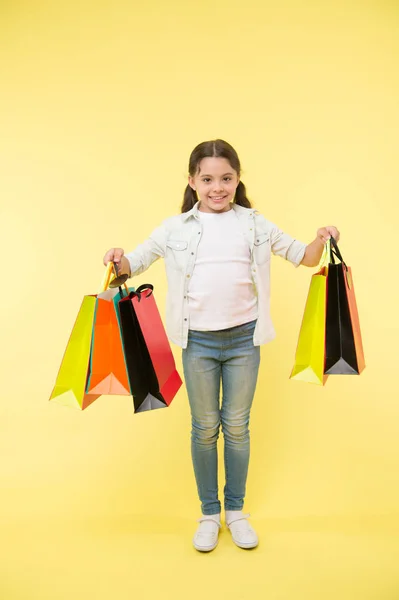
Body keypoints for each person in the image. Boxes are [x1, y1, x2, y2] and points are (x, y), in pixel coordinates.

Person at [103, 139, 340, 553]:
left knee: (237, 427)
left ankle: (236, 512)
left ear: (237, 179)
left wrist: (322, 238)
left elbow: (304, 257)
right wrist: (117, 259)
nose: (218, 187)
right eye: (208, 179)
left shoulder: (255, 223)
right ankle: (209, 514)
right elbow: (134, 263)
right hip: (197, 343)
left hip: (244, 341)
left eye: (226, 178)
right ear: (192, 181)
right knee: (204, 428)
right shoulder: (174, 228)